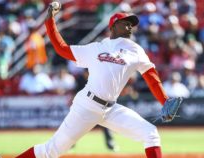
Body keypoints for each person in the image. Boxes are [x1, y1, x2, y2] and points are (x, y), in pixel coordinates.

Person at [17, 3, 180, 158]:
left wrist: (164, 101)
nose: (130, 26)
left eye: (131, 24)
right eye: (125, 23)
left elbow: (151, 77)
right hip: (86, 106)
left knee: (150, 134)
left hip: (111, 109)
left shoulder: (135, 50)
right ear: (113, 26)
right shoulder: (96, 48)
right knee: (51, 151)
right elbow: (61, 48)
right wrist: (50, 20)